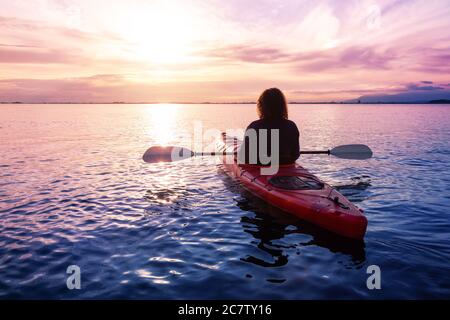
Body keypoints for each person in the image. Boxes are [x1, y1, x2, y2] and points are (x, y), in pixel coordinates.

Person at [238, 88, 300, 165]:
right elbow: (295, 155)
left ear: (261, 106)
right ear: (282, 105)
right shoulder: (291, 126)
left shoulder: (254, 126)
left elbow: (245, 157)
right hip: (285, 166)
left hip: (260, 169)